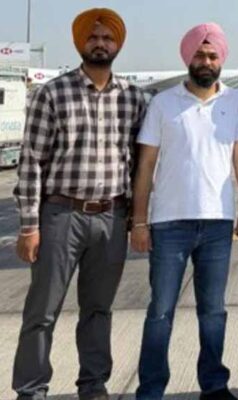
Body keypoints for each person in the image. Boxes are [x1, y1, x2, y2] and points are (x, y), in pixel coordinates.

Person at [12, 8, 146, 400]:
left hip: (111, 218)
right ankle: (31, 389)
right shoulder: (52, 94)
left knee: (98, 309)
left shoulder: (133, 99)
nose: (100, 43)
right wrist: (29, 226)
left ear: (117, 44)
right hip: (61, 216)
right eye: (93, 37)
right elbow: (31, 162)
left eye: (107, 38)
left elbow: (140, 164)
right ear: (80, 42)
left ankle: (93, 385)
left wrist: (137, 219)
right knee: (42, 310)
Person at [130, 22, 238, 400]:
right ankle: (151, 390)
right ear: (188, 57)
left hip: (217, 224)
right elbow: (145, 166)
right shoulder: (163, 103)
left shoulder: (235, 102)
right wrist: (139, 222)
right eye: (200, 54)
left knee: (213, 311)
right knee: (160, 312)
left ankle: (214, 386)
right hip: (168, 223)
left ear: (221, 60)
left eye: (213, 55)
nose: (206, 61)